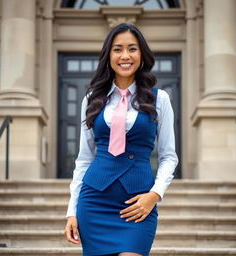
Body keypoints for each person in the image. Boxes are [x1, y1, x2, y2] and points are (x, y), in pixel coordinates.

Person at [64, 23, 178, 256]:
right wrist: (71, 210)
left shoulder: (160, 99)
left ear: (141, 55)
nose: (125, 56)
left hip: (138, 204)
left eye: (132, 49)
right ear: (109, 56)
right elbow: (84, 159)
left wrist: (154, 195)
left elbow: (169, 157)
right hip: (94, 202)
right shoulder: (91, 99)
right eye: (117, 49)